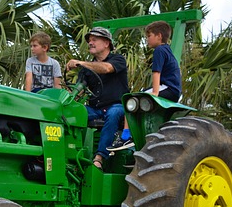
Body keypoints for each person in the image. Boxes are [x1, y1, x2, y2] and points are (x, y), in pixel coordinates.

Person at [107, 20, 181, 151]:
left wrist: (156, 93)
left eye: (149, 36)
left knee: (131, 100)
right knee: (137, 100)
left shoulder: (159, 50)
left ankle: (126, 137)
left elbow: (156, 72)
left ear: (159, 36)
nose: (147, 39)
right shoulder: (167, 50)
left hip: (168, 88)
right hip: (173, 90)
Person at [66, 27, 129, 170]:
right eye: (89, 40)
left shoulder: (118, 59)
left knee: (113, 114)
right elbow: (79, 90)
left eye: (94, 40)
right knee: (72, 113)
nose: (90, 43)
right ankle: (72, 155)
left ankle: (99, 158)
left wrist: (81, 63)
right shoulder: (85, 69)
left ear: (106, 43)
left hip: (117, 106)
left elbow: (106, 68)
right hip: (96, 109)